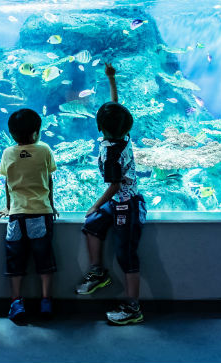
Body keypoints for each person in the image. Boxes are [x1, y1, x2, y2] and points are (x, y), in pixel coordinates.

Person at [75, 62, 147, 325]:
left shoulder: (111, 154)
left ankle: (133, 307)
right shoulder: (122, 135)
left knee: (126, 255)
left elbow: (115, 185)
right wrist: (111, 79)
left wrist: (95, 204)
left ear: (100, 128)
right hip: (118, 201)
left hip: (127, 204)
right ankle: (97, 271)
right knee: (92, 226)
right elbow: (115, 107)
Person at [0, 108, 58, 323]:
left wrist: (8, 206)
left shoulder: (8, 153)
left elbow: (8, 181)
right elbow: (48, 180)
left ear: (12, 134)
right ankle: (46, 301)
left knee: (15, 261)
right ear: (37, 131)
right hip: (41, 212)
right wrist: (51, 204)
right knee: (44, 260)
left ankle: (16, 302)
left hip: (17, 216)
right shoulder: (44, 150)